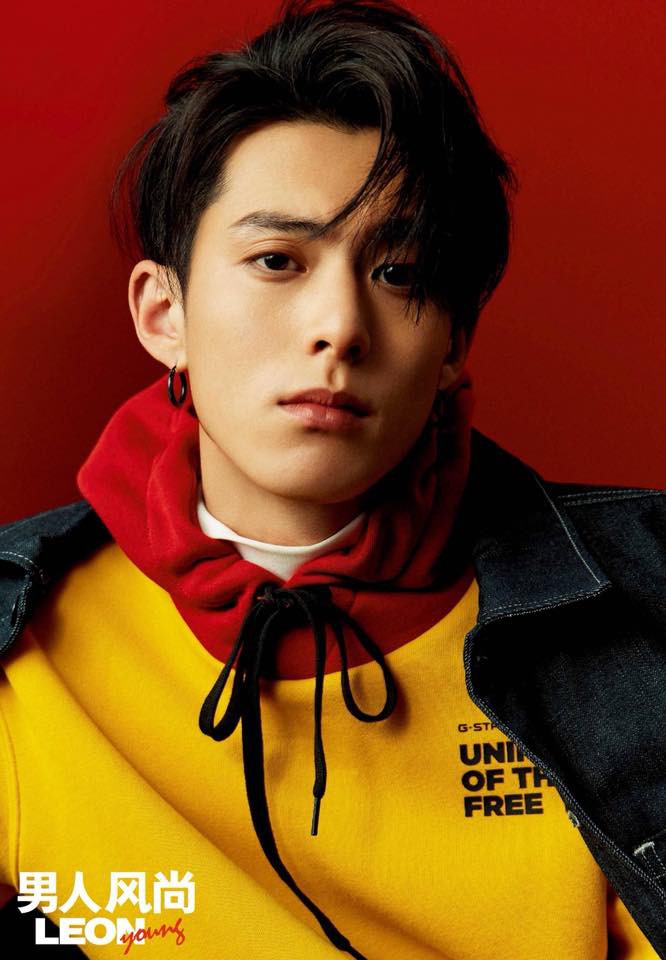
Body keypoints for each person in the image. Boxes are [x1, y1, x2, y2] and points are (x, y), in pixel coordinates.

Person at [1, 0, 664, 957]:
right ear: (163, 314)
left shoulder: (640, 597)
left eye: (400, 274)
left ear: (453, 345)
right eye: (277, 260)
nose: (340, 327)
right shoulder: (25, 643)